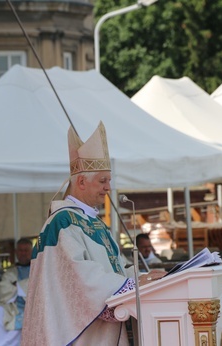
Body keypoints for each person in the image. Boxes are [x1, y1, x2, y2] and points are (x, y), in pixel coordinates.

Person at [21, 122, 165, 345]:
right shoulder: (63, 222)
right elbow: (80, 278)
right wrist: (133, 286)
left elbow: (117, 267)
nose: (109, 187)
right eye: (102, 180)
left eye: (109, 180)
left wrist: (141, 279)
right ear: (81, 181)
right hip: (79, 335)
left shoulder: (94, 223)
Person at [0, 237, 33, 346]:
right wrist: (22, 286)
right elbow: (3, 288)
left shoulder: (37, 269)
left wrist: (17, 285)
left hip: (32, 305)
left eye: (26, 250)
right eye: (20, 250)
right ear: (16, 252)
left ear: (31, 252)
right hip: (13, 305)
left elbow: (36, 285)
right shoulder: (11, 271)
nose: (23, 253)